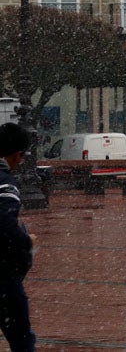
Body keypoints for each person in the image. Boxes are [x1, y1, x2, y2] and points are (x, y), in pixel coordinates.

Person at [0, 122, 36, 351]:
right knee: (21, 338)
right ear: (16, 154)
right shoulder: (5, 183)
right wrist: (26, 241)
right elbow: (4, 225)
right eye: (21, 156)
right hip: (3, 276)